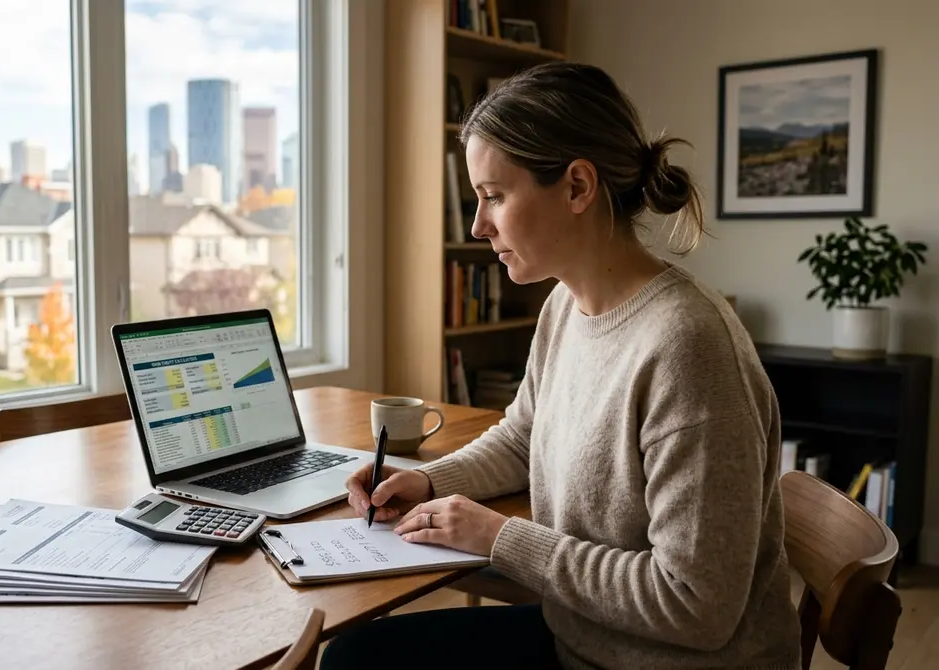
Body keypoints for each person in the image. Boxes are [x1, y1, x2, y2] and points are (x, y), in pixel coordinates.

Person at [320, 62, 802, 670]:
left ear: (577, 187)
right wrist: (430, 481)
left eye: (494, 196)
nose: (477, 225)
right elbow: (525, 437)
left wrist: (499, 538)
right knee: (355, 655)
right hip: (585, 639)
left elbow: (695, 605)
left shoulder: (687, 348)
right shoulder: (565, 307)